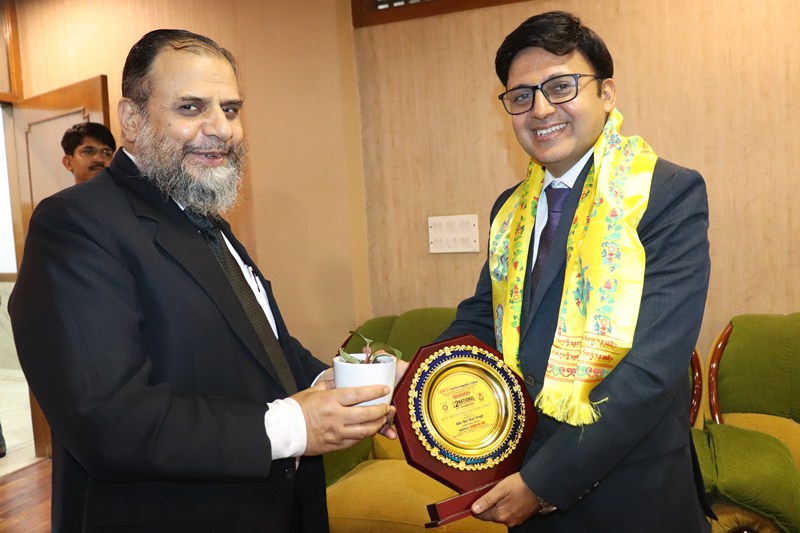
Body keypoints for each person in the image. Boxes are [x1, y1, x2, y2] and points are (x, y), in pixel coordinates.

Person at [9, 29, 398, 532]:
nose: (221, 129)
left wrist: (339, 384)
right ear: (132, 119)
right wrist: (294, 426)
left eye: (230, 109)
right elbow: (108, 419)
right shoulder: (76, 223)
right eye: (191, 108)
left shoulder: (203, 217)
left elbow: (265, 350)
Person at [436, 11, 713, 532]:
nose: (540, 109)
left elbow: (652, 370)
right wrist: (414, 385)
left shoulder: (665, 194)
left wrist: (544, 483)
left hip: (633, 492)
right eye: (522, 96)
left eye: (561, 87)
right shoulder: (510, 209)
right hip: (522, 475)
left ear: (606, 93)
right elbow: (481, 320)